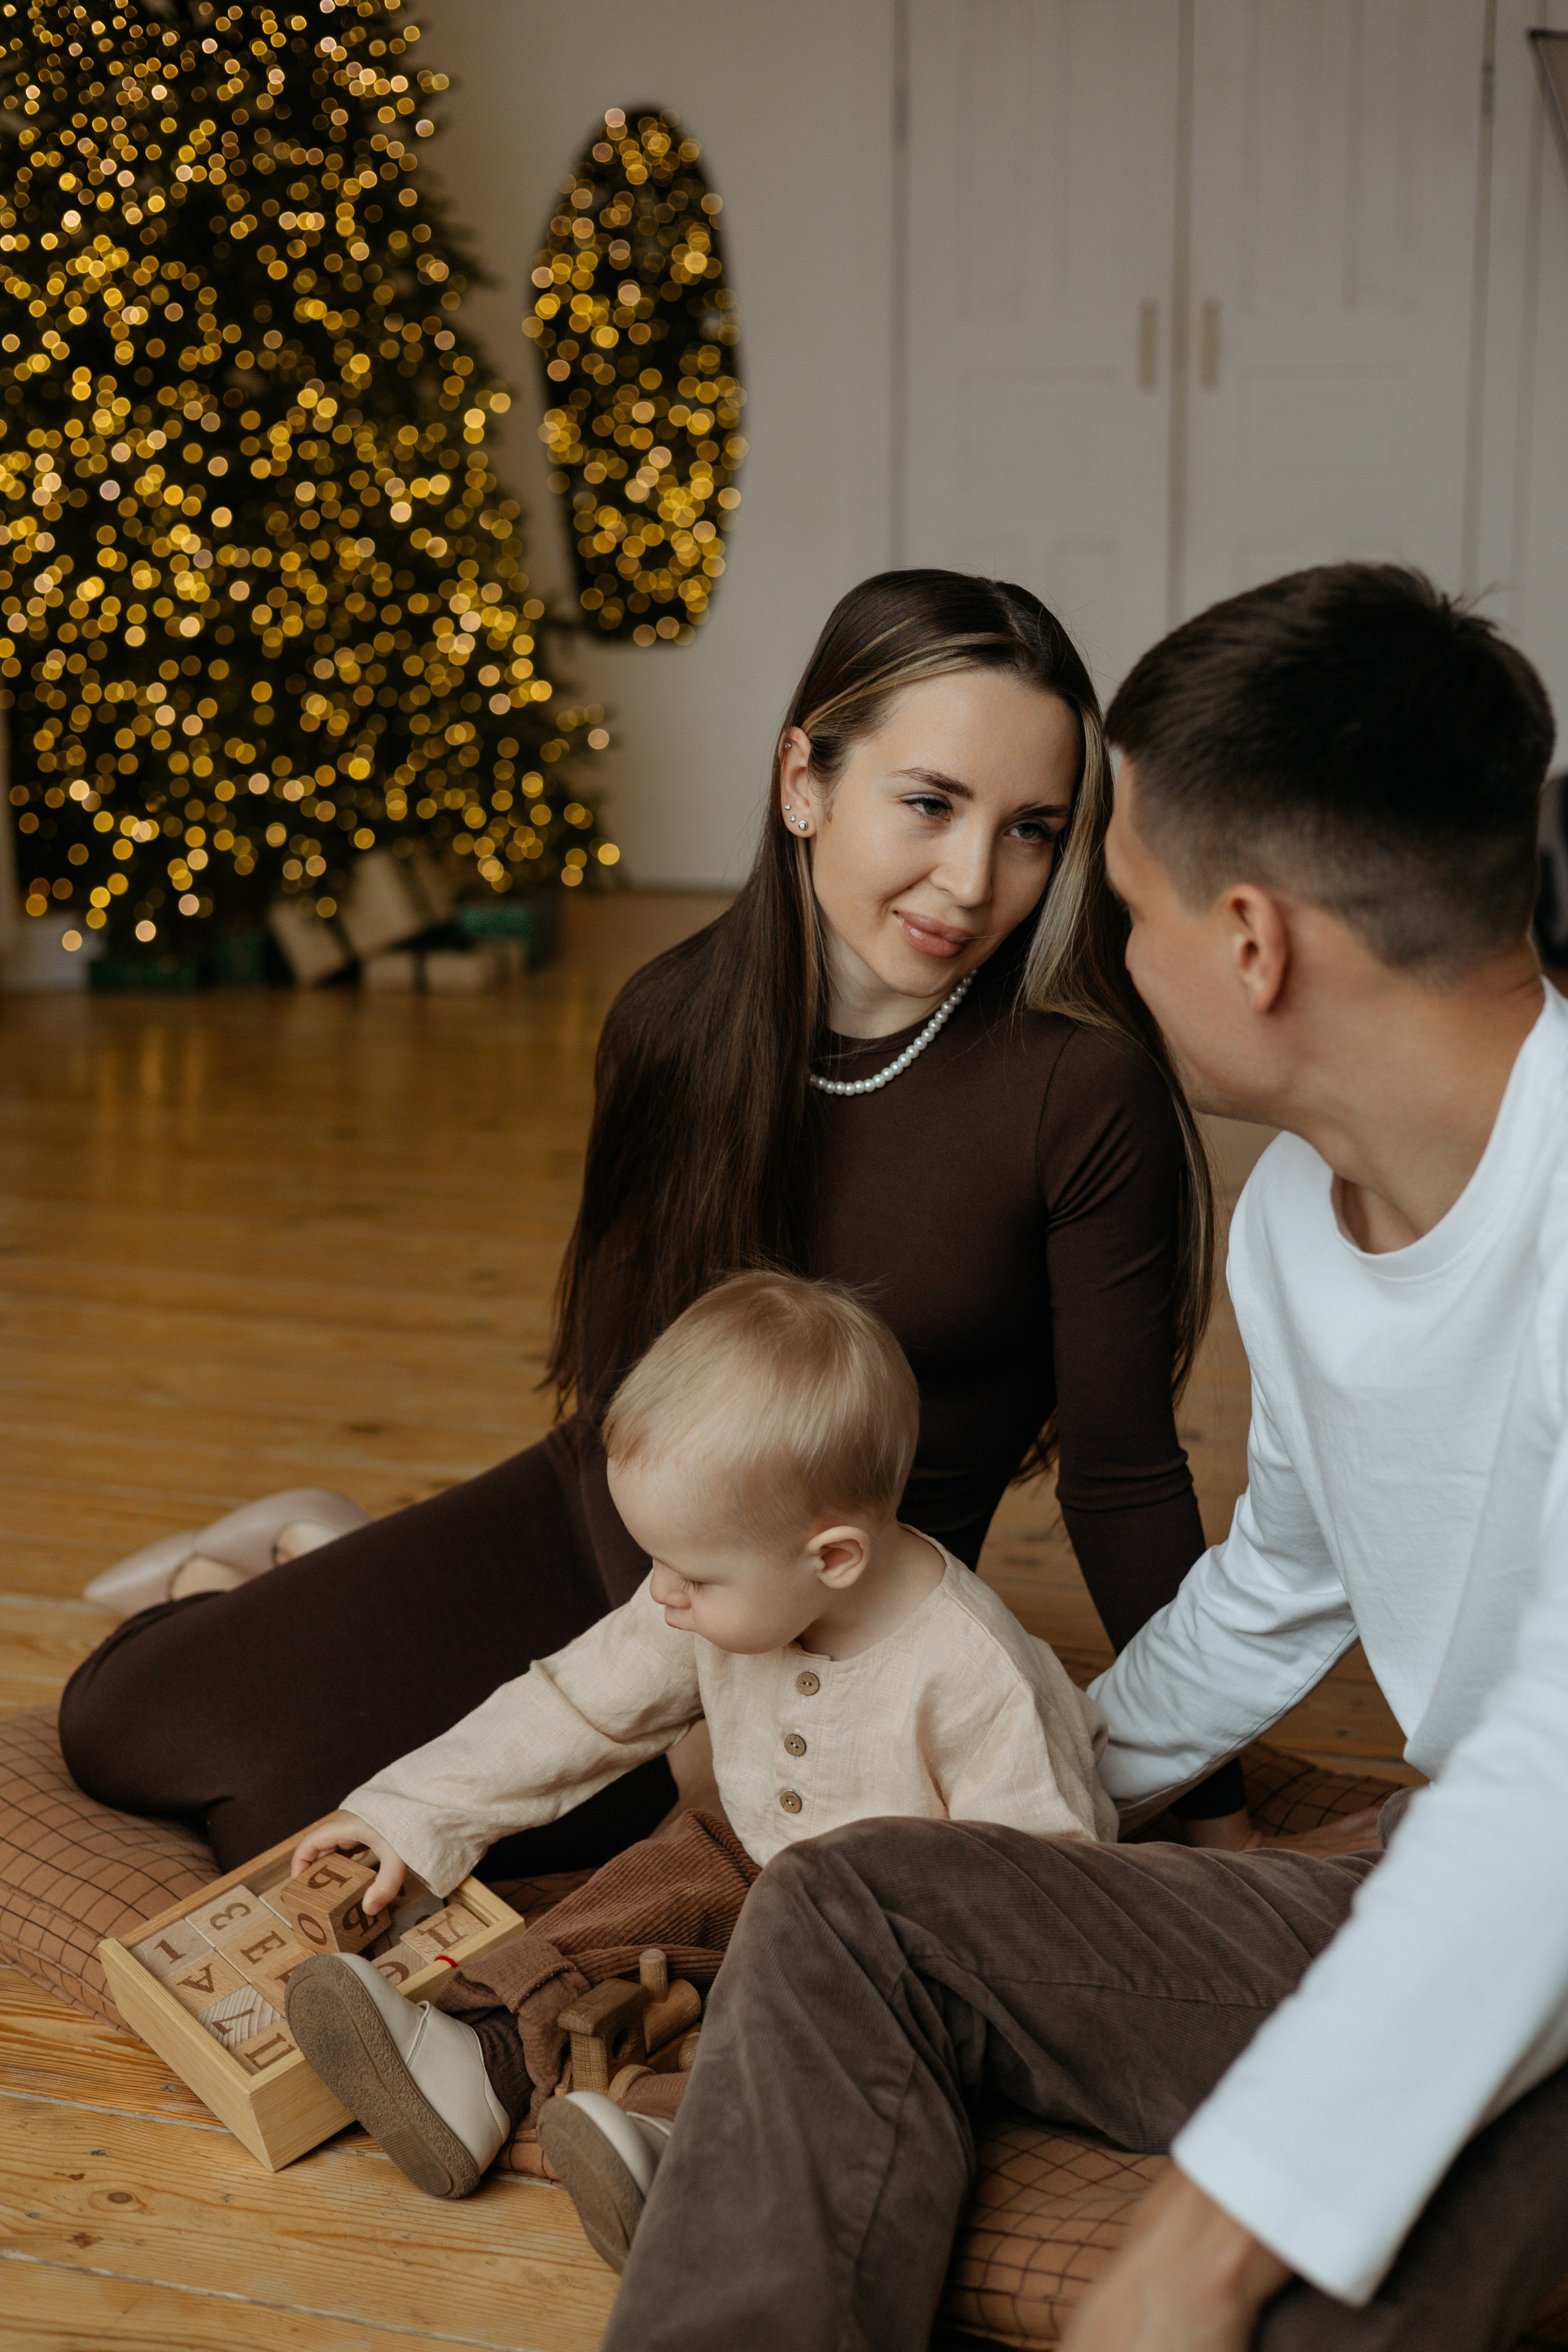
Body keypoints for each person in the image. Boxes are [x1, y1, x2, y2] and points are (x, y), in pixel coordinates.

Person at [590, 563, 1568, 2352]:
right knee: (857, 1906)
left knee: (1334, 2277)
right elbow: (1282, 1575)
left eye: (1110, 889)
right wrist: (1023, 1770)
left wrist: (1190, 2258)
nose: (1085, 940)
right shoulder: (1303, 1221)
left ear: (1251, 942)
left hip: (1540, 1892)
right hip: (1454, 1872)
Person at [59, 568, 1245, 1872]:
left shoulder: (1081, 1092)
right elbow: (622, 1385)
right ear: (805, 779)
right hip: (614, 1527)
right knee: (125, 1726)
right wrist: (626, 1664)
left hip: (814, 1610)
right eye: (927, 803)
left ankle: (310, 1560)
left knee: (277, 1818)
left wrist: (1217, 1816)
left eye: (1031, 828)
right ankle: (294, 1551)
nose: (970, 879)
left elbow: (1124, 1480)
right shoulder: (671, 1020)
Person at [277, 1271, 1114, 2244]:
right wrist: (408, 1811)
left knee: (816, 2031)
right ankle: (483, 2059)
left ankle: (679, 2140)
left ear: (832, 1557)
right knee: (646, 1885)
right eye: (655, 1562)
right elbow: (575, 1706)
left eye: (694, 1573)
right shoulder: (707, 1599)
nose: (662, 1594)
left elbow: (1052, 1889)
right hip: (746, 1847)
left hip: (885, 1937)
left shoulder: (980, 1676)